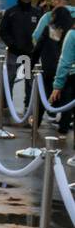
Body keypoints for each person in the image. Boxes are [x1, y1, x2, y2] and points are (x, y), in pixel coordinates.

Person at [0, 0, 41, 112]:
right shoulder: (11, 12)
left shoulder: (37, 13)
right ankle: (5, 105)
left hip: (30, 54)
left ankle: (28, 105)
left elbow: (42, 32)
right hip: (14, 53)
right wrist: (12, 44)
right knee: (9, 79)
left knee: (29, 80)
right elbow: (3, 31)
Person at [48, 9, 75, 137]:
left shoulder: (71, 34)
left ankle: (63, 126)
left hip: (71, 75)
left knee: (67, 101)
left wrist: (57, 86)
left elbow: (65, 61)